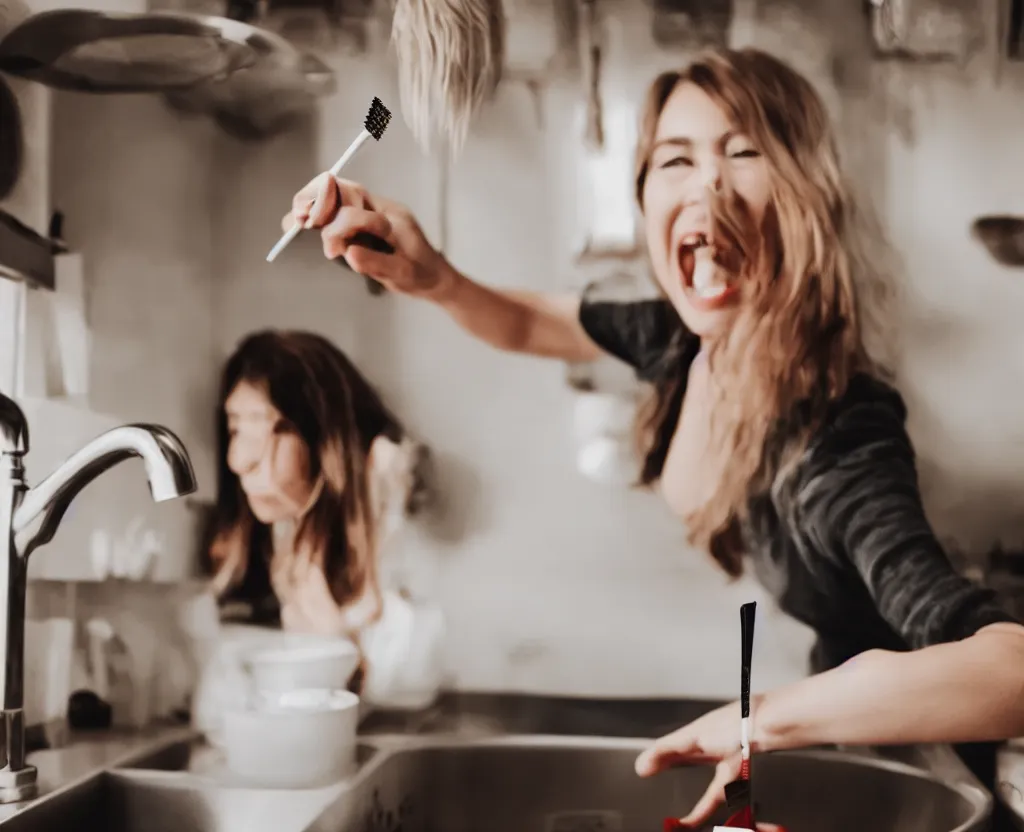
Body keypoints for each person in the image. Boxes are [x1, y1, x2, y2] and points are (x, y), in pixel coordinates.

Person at [283, 48, 1024, 826]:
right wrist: (433, 277)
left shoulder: (838, 436)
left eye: (743, 152)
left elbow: (1011, 668)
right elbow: (535, 322)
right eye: (675, 158)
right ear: (642, 196)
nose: (706, 183)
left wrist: (758, 719)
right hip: (835, 734)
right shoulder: (682, 339)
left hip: (910, 750)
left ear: (808, 197)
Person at [203, 329, 443, 710]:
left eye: (269, 429)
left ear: (324, 436)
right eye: (235, 429)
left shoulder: (396, 488)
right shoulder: (292, 525)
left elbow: (421, 683)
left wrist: (343, 657)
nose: (239, 460)